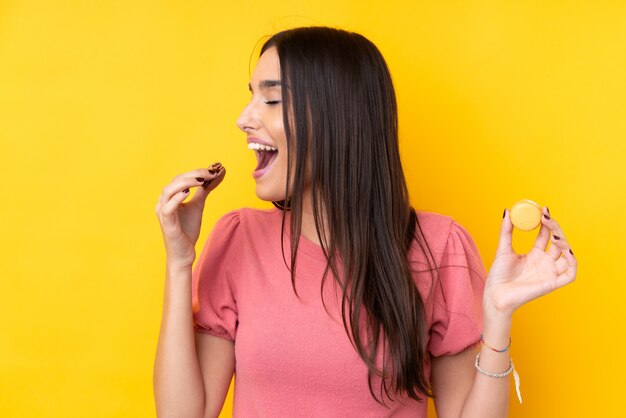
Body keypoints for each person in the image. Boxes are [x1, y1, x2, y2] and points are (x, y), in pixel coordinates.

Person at [153, 26, 577, 418]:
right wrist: (178, 262)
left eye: (271, 99)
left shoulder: (439, 246)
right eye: (251, 97)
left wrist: (498, 317)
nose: (244, 119)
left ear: (336, 116)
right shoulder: (239, 239)